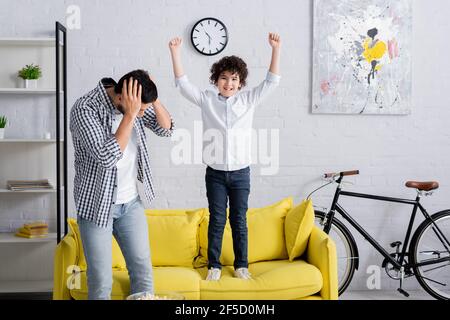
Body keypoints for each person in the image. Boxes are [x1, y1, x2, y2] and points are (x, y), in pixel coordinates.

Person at [168, 33, 281, 281]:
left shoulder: (248, 100)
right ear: (216, 80)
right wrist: (175, 53)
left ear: (240, 83)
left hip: (241, 173)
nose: (228, 83)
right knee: (217, 220)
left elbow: (271, 82)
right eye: (223, 78)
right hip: (215, 174)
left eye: (234, 79)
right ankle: (214, 266)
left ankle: (242, 265)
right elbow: (183, 84)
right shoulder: (207, 100)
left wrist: (275, 49)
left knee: (239, 220)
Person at [69, 70, 174, 299]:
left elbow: (166, 129)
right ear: (121, 99)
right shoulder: (84, 109)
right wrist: (130, 115)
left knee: (143, 272)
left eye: (142, 110)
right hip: (96, 206)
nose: (141, 114)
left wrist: (151, 96)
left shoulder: (136, 103)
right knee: (100, 280)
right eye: (140, 110)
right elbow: (107, 157)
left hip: (130, 204)